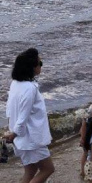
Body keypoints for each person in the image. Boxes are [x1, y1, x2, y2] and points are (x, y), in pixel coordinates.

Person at [5, 48, 54, 183]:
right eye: (40, 63)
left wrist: (12, 132)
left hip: (22, 138)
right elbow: (23, 116)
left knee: (31, 170)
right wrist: (14, 133)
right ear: (32, 67)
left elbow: (10, 110)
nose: (41, 66)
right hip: (30, 138)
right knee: (48, 169)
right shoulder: (29, 88)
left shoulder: (15, 84)